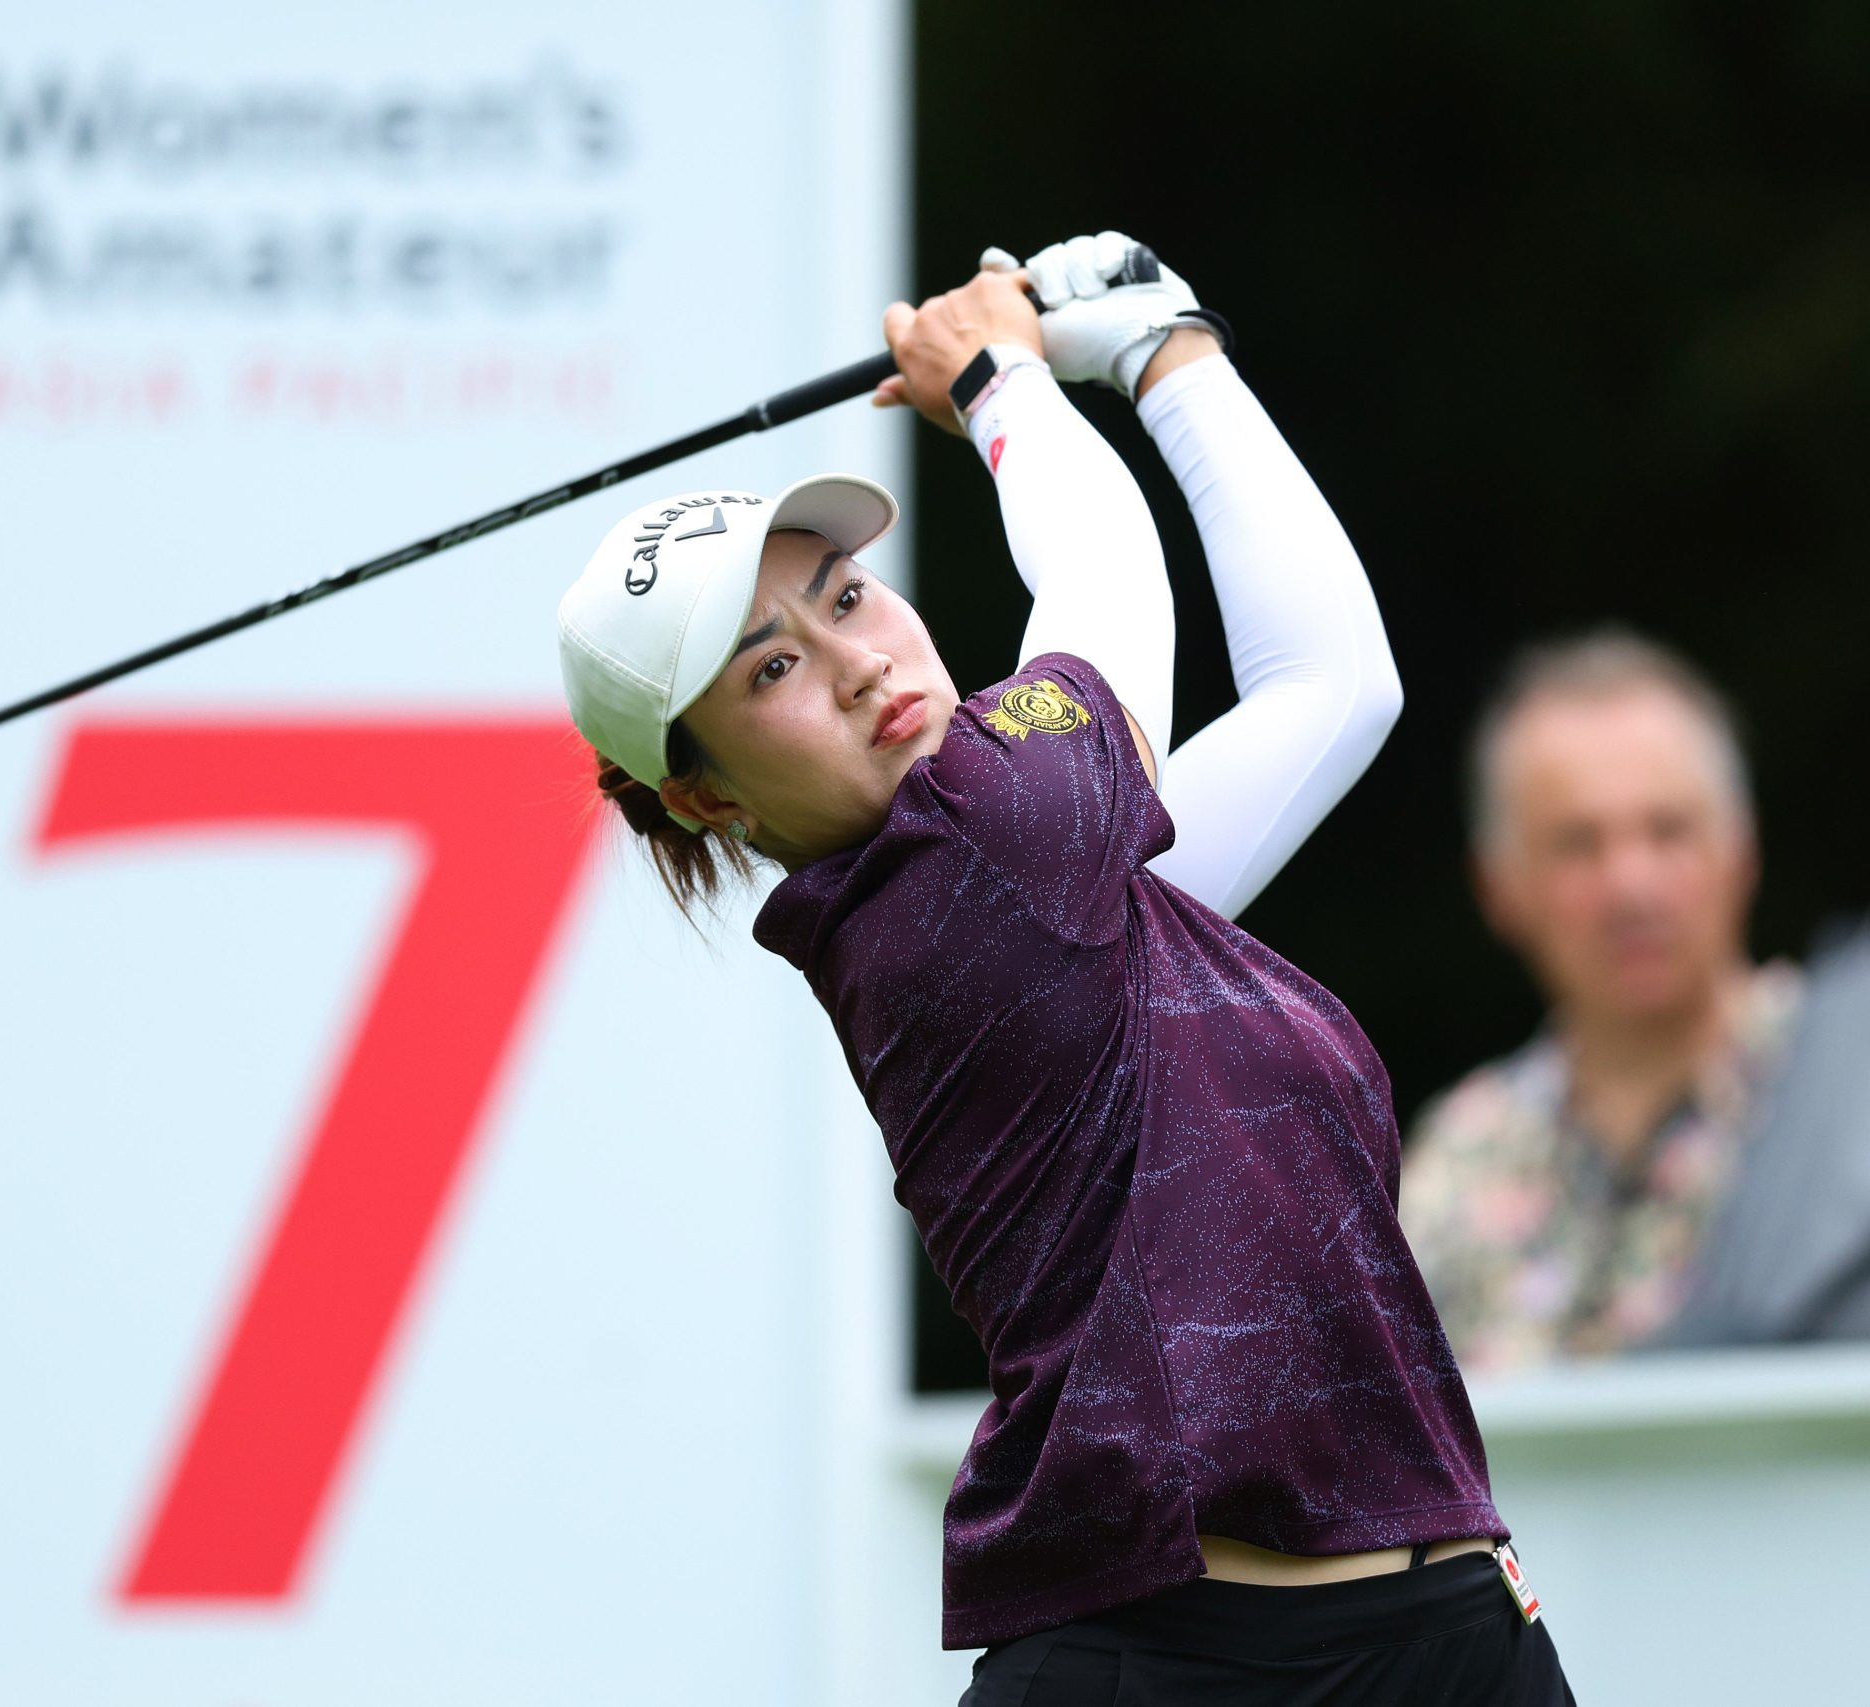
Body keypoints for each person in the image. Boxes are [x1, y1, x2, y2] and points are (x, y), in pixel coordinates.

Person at [554, 233, 1572, 1703]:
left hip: (1446, 1633)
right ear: (705, 793)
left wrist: (1170, 355)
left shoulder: (1066, 889)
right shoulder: (984, 854)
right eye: (769, 668)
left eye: (844, 595)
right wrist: (996, 375)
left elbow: (1334, 685)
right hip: (1165, 1669)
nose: (854, 659)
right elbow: (1107, 583)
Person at [1397, 633, 1804, 1369]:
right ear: (1499, 886)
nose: (1631, 885)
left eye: (1669, 830)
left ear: (1742, 850)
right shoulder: (1456, 1162)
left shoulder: (1844, 1096)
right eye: (1578, 844)